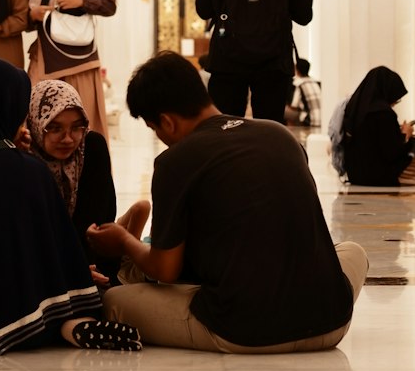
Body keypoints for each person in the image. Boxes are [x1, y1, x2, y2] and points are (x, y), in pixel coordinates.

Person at [92, 52, 369, 354]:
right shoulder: (280, 135)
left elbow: (165, 269)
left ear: (167, 122)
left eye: (154, 129)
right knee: (353, 252)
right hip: (332, 321)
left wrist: (123, 241)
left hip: (246, 331)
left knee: (114, 302)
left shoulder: (175, 161)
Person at [0, 58, 141, 354]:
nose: (68, 138)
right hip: (4, 309)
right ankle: (70, 323)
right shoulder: (24, 170)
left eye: (77, 128)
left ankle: (69, 323)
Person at [28, 78, 150, 284]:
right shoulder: (25, 161)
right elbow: (30, 236)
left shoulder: (92, 147)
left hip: (95, 261)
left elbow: (99, 221)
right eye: (55, 128)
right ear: (37, 124)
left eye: (77, 127)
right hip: (45, 269)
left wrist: (86, 269)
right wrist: (71, 270)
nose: (68, 139)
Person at [26, 0, 117, 139]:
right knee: (38, 106)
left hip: (79, 62)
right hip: (44, 57)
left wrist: (80, 2)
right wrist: (32, 15)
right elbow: (24, 19)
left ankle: (86, 162)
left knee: (80, 111)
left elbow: (109, 5)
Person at [341, 66, 415, 187]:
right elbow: (393, 153)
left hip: (356, 175)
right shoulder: (384, 113)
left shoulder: (354, 109)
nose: (394, 103)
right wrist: (405, 135)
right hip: (381, 175)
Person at [285, 56, 322, 132]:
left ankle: (290, 133)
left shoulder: (298, 83)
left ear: (297, 70)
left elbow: (294, 105)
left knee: (285, 111)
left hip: (309, 119)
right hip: (321, 119)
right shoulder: (315, 82)